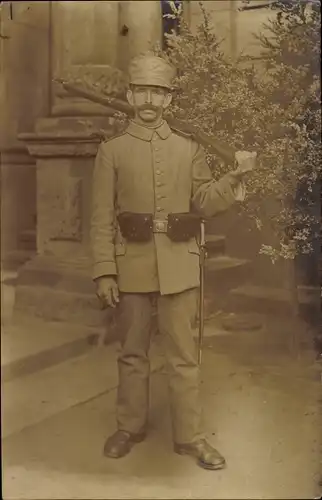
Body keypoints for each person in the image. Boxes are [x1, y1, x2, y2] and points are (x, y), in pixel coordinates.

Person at [91, 53, 256, 470]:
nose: (149, 100)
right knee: (132, 352)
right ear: (130, 95)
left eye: (158, 92)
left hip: (180, 265)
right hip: (130, 266)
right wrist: (105, 270)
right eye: (142, 91)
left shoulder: (189, 147)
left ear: (169, 99)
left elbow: (203, 202)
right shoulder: (111, 151)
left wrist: (233, 178)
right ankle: (129, 426)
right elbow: (99, 219)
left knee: (184, 355)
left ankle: (190, 436)